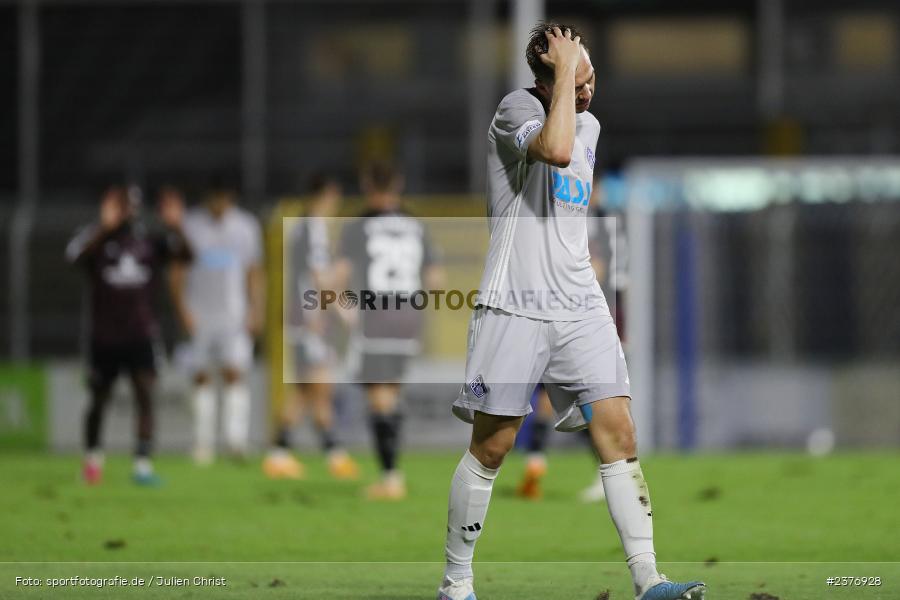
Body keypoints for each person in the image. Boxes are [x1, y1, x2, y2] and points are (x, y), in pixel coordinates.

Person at [437, 24, 705, 600]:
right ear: (548, 75)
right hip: (516, 301)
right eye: (577, 80)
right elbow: (555, 151)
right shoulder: (515, 110)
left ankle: (648, 580)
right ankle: (455, 582)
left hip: (579, 303)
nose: (587, 93)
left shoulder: (591, 123)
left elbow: (569, 209)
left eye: (590, 80)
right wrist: (563, 78)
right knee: (494, 445)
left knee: (619, 431)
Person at [66, 184, 191, 486]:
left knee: (145, 395)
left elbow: (187, 256)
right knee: (98, 399)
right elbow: (73, 258)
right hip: (104, 338)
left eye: (129, 206)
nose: (125, 212)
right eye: (120, 205)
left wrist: (177, 226)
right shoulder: (95, 239)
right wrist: (103, 229)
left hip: (142, 334)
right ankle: (93, 460)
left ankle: (142, 464)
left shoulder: (149, 241)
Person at [333, 161, 443, 500]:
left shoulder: (358, 227)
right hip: (408, 318)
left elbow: (337, 276)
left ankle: (390, 476)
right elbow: (437, 281)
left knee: (379, 397)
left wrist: (343, 307)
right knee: (391, 393)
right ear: (398, 184)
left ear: (367, 185)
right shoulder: (415, 225)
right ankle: (392, 470)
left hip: (376, 317)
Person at [263, 172, 359, 480]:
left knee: (309, 390)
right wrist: (341, 310)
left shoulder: (301, 227)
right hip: (311, 318)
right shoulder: (314, 227)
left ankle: (298, 454)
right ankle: (326, 454)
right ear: (327, 195)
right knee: (317, 387)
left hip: (305, 316)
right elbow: (318, 278)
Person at [170, 179, 264, 465]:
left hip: (233, 313)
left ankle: (236, 441)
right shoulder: (190, 225)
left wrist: (256, 308)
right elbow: (176, 271)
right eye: (215, 197)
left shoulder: (246, 227)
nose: (219, 203)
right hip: (199, 311)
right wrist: (182, 308)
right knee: (200, 376)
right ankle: (202, 444)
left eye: (224, 197)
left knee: (235, 372)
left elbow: (254, 271)